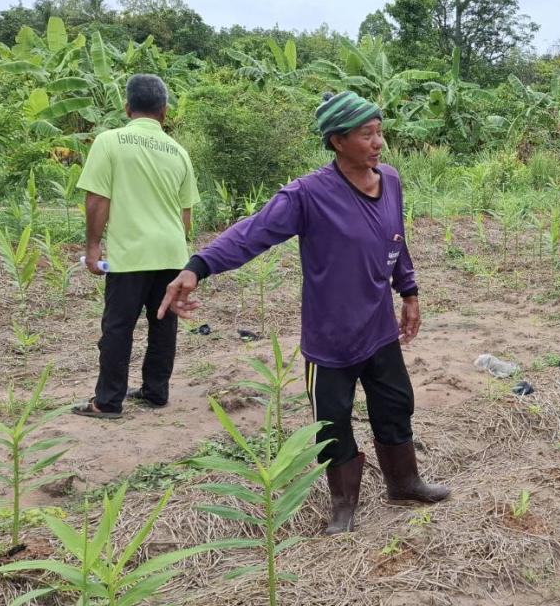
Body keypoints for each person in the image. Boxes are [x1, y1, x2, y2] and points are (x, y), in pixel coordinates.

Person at [156, 91, 449, 534]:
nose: (378, 143)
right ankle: (344, 506)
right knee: (332, 422)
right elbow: (250, 233)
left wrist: (408, 292)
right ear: (337, 141)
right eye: (367, 135)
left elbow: (396, 239)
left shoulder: (390, 180)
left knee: (395, 405)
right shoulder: (307, 195)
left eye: (379, 132)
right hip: (330, 340)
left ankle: (404, 483)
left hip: (379, 330)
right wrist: (199, 266)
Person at [73, 74, 199, 419]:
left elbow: (98, 199)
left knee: (118, 327)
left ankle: (108, 402)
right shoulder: (179, 152)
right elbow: (186, 215)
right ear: (165, 111)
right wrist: (178, 249)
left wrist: (94, 246)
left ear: (127, 107)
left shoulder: (110, 141)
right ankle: (156, 392)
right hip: (172, 252)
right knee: (163, 324)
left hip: (131, 253)